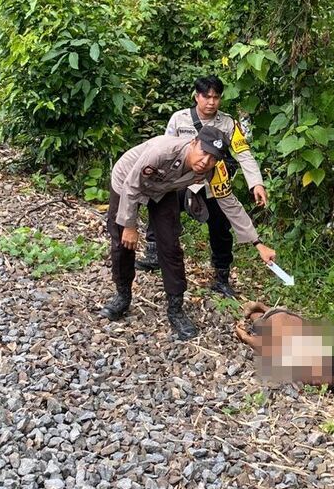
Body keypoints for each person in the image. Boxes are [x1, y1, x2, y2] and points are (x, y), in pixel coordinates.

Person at [99, 126, 277, 340]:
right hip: (127, 182)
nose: (205, 161)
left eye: (213, 158)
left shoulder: (211, 170)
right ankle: (122, 296)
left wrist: (258, 243)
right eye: (203, 152)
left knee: (171, 245)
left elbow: (229, 203)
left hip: (163, 189)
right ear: (193, 143)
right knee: (122, 241)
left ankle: (175, 308)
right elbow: (132, 185)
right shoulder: (162, 152)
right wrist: (129, 226)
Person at [138, 76, 268, 298]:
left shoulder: (228, 124)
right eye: (206, 97)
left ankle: (221, 276)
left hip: (211, 183)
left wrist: (256, 183)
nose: (211, 102)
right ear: (196, 96)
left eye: (216, 97)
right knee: (160, 204)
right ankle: (153, 252)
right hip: (181, 181)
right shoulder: (179, 119)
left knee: (221, 226)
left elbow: (243, 154)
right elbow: (166, 147)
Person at [235, 302, 334, 392]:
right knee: (259, 323)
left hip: (287, 317)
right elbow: (270, 348)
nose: (317, 382)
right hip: (275, 321)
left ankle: (264, 308)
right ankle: (262, 309)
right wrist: (245, 337)